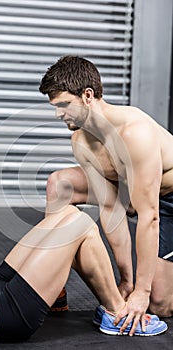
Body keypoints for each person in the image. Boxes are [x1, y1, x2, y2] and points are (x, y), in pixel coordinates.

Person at [39, 55, 173, 334]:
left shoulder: (136, 134)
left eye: (63, 105)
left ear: (87, 96)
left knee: (160, 305)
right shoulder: (81, 140)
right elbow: (111, 208)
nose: (58, 114)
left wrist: (141, 291)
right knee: (59, 183)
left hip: (167, 201)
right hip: (132, 193)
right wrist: (126, 280)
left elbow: (149, 216)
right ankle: (54, 286)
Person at [0, 205, 167, 342]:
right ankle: (118, 313)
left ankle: (108, 307)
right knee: (81, 225)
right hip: (1, 314)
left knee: (68, 213)